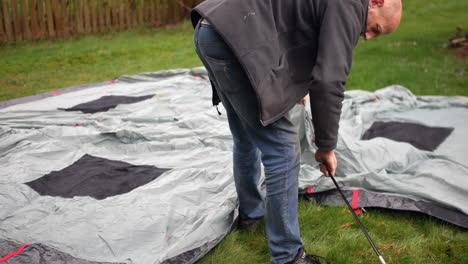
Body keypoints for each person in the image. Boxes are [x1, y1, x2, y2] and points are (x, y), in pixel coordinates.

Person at [191, 0, 402, 263]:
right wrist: (326, 146)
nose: (368, 36)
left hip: (212, 28)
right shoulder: (350, 4)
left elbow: (291, 25)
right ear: (376, 2)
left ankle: (252, 216)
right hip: (235, 39)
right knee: (282, 147)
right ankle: (287, 256)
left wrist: (293, 87)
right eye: (376, 29)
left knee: (246, 135)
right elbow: (329, 80)